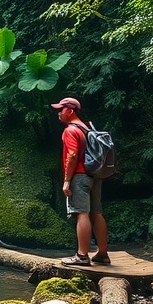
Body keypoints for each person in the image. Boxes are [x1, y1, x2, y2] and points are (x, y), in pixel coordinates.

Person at [52, 97, 110, 266]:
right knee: (96, 213)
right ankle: (103, 254)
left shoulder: (71, 130)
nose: (58, 113)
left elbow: (72, 155)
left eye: (61, 109)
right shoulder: (86, 128)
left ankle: (82, 256)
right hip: (94, 175)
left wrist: (66, 180)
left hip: (79, 176)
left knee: (81, 213)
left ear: (70, 111)